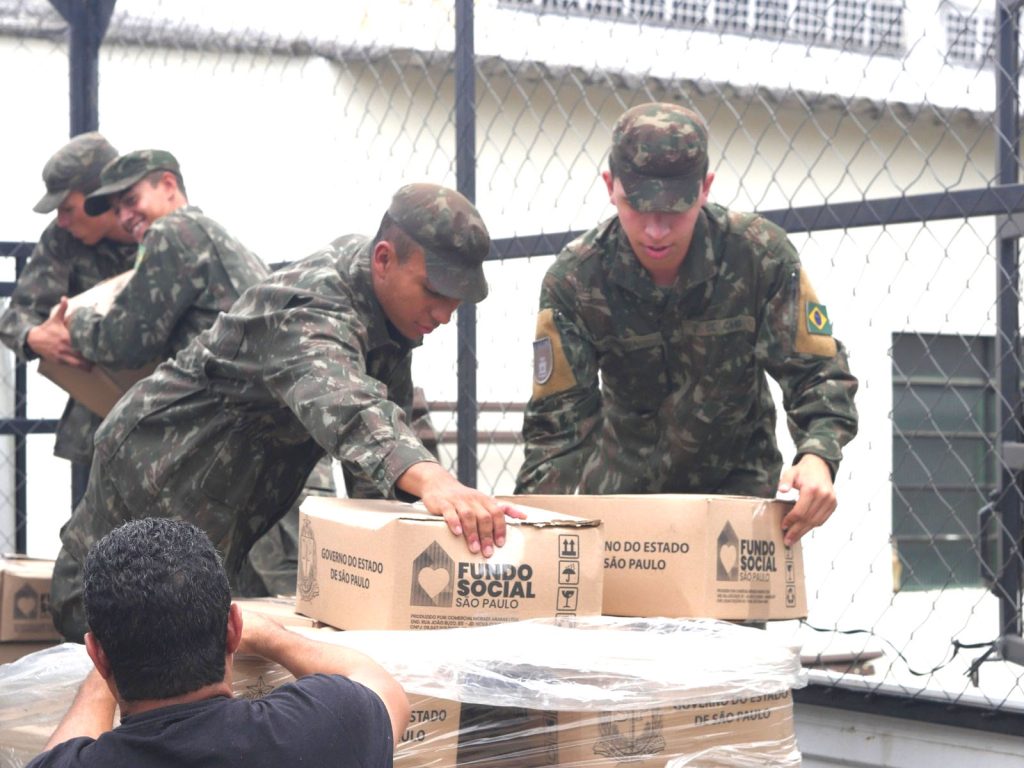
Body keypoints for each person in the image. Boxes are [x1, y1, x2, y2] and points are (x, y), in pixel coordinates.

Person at [50, 182, 523, 642]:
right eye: (434, 291)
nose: (444, 313)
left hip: (228, 483)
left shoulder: (389, 308)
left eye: (456, 301)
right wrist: (435, 481)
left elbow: (381, 430)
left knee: (186, 641)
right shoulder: (312, 305)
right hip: (162, 462)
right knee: (98, 618)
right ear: (384, 259)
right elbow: (344, 399)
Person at [515, 102, 858, 546]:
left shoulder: (759, 256)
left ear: (705, 189)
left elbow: (818, 372)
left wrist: (818, 456)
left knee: (724, 617)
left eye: (674, 209)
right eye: (638, 206)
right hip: (625, 510)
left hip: (736, 510)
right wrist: (528, 537)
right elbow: (558, 429)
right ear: (609, 187)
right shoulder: (576, 280)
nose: (656, 230)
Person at [27, 517, 408, 768]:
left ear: (97, 655)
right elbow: (384, 688)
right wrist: (272, 637)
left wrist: (110, 656)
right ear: (233, 630)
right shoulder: (325, 727)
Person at [0, 133, 136, 503]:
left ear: (99, 198)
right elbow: (18, 314)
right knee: (92, 549)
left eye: (67, 208)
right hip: (99, 419)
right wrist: (33, 337)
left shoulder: (166, 233)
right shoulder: (63, 240)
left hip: (170, 419)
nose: (60, 221)